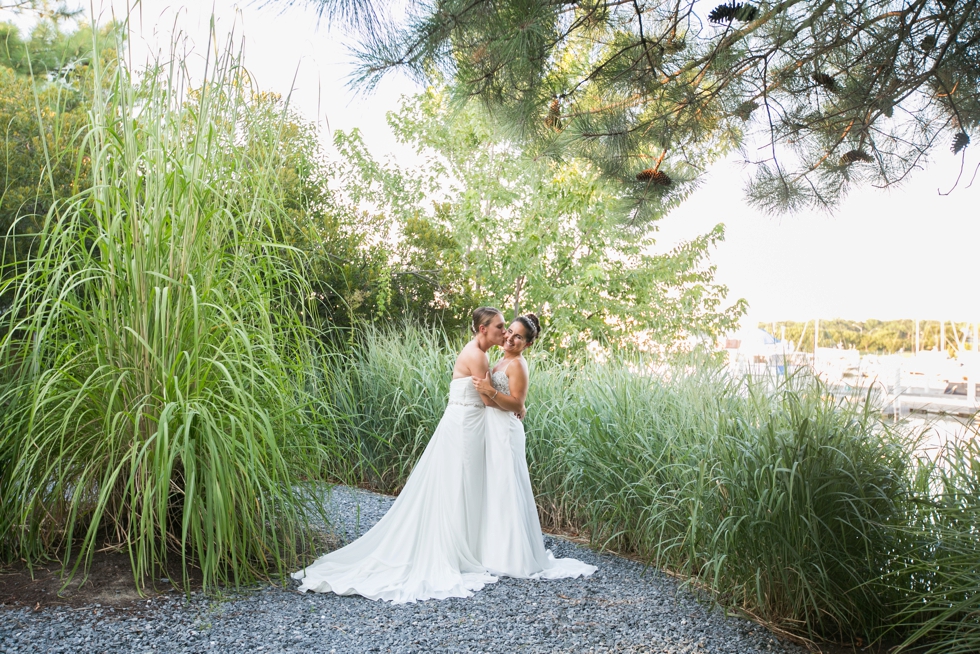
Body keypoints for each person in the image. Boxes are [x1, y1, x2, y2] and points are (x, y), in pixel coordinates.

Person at [292, 307, 507, 603]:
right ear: (483, 329)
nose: (503, 332)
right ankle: (453, 550)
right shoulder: (478, 355)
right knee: (459, 484)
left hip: (464, 424)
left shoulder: (478, 352)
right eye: (499, 327)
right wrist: (515, 405)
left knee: (460, 485)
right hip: (465, 427)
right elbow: (486, 398)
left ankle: (465, 545)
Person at [472, 313, 598, 580]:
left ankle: (512, 557)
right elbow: (513, 401)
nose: (510, 338)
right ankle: (494, 550)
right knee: (497, 487)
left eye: (518, 336)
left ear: (527, 343)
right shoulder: (502, 359)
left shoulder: (518, 364)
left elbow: (516, 404)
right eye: (510, 333)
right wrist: (493, 394)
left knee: (507, 486)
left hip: (506, 431)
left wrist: (490, 391)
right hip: (495, 428)